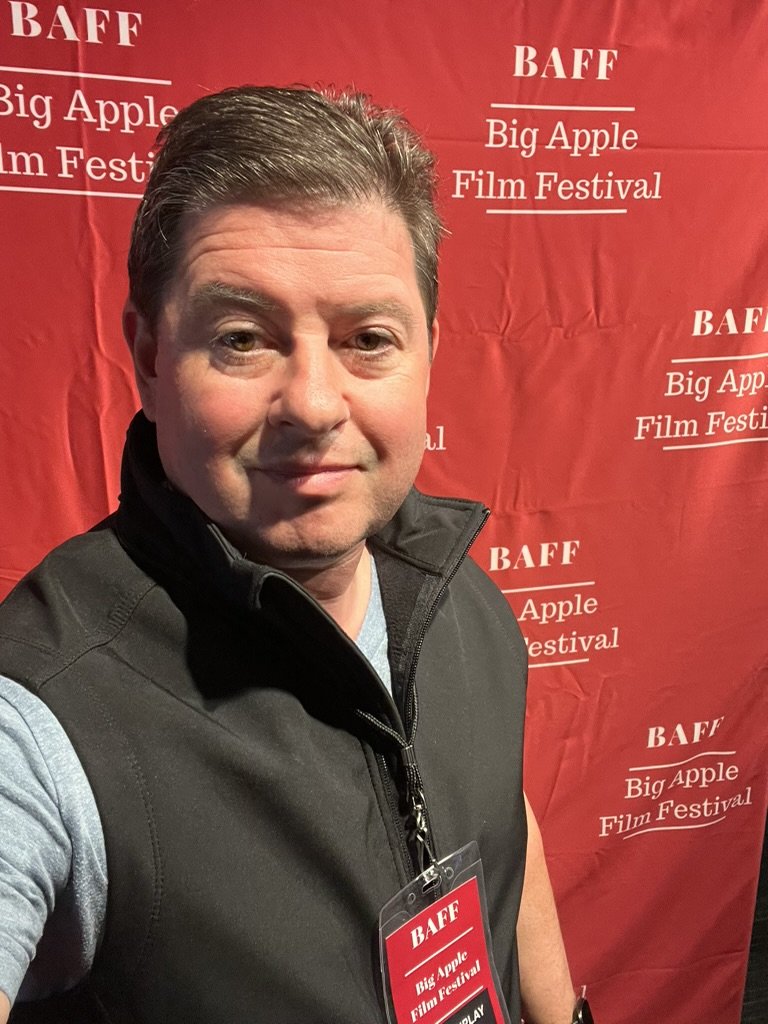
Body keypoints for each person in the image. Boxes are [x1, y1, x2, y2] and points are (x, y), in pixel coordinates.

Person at [0, 85, 578, 1024]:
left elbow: (506, 838)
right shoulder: (39, 721)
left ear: (429, 354)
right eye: (242, 339)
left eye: (367, 340)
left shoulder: (460, 596)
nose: (313, 402)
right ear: (147, 358)